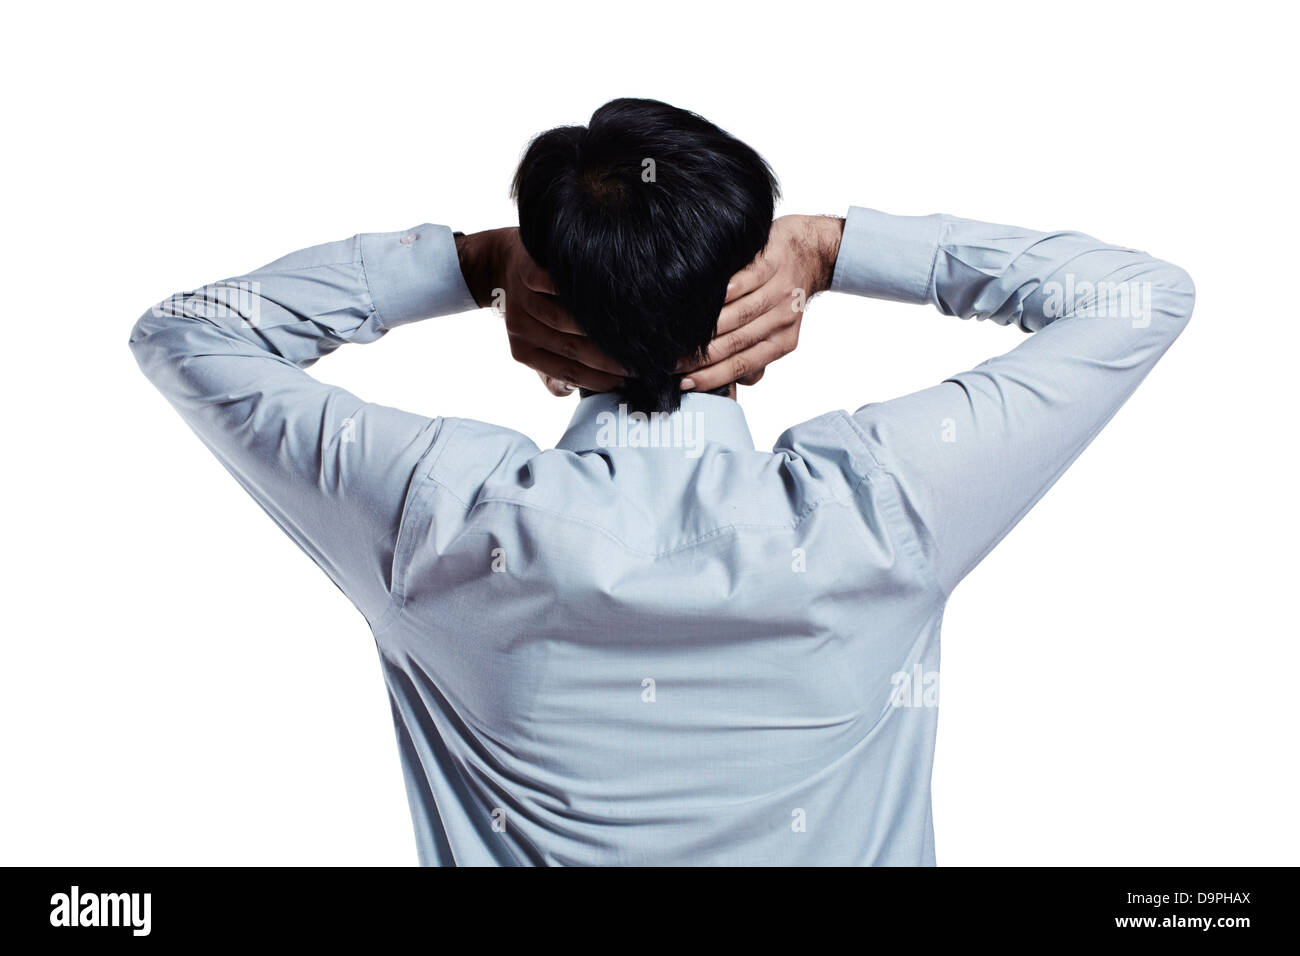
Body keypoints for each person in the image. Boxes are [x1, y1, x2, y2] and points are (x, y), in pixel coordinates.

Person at [130, 98, 1194, 865]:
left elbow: (188, 332)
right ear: (759, 319)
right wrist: (835, 247)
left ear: (545, 330)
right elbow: (1138, 298)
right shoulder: (884, 508)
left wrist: (476, 263)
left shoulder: (435, 517)